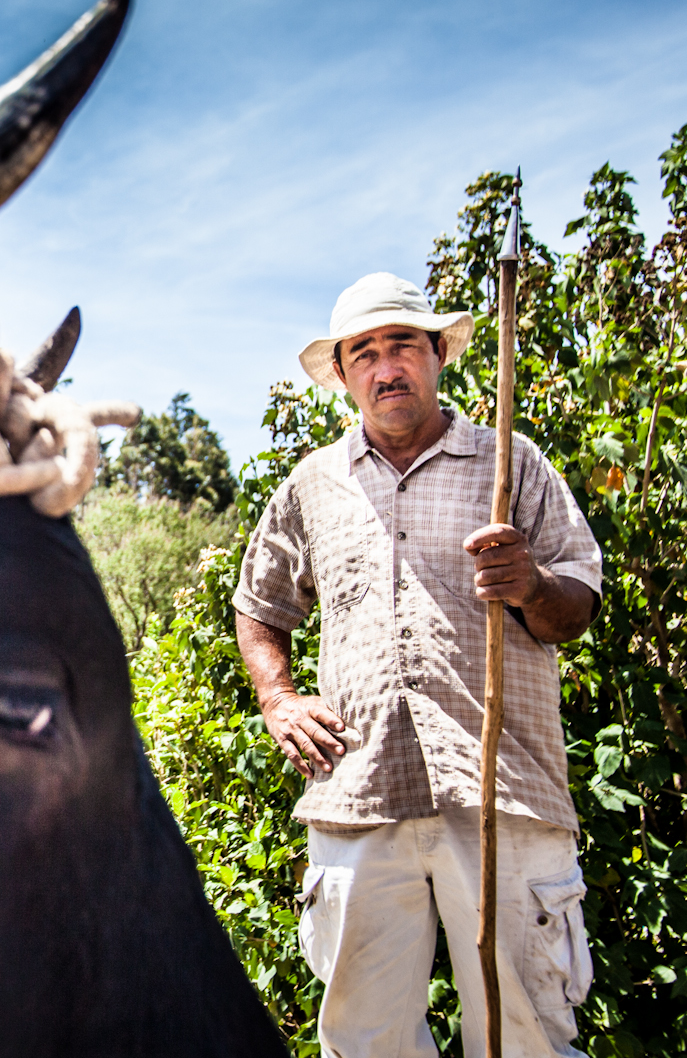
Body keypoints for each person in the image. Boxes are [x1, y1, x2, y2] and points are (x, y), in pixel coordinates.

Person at [235, 273, 602, 1058]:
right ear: (342, 375)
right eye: (362, 352)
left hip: (503, 788)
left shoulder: (510, 461)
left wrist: (532, 585)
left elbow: (578, 604)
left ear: (439, 356)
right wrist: (279, 699)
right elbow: (260, 605)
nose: (384, 365)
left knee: (525, 1039)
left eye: (402, 344)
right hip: (358, 793)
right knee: (366, 1044)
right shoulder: (312, 486)